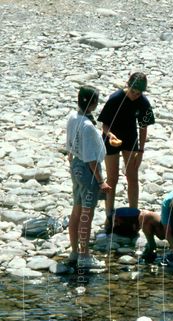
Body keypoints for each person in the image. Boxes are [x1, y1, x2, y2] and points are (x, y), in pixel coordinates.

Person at [98, 71, 156, 232]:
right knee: (112, 178)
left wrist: (141, 150)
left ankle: (133, 214)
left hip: (131, 138)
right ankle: (109, 215)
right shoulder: (115, 99)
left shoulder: (143, 102)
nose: (135, 96)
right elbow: (104, 125)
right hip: (111, 139)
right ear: (127, 85)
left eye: (138, 93)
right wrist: (110, 135)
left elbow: (143, 127)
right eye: (133, 92)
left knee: (132, 176)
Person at [65, 86, 112, 270]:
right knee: (87, 213)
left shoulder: (73, 117)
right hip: (87, 171)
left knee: (77, 208)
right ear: (93, 104)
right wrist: (101, 181)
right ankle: (84, 255)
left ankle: (75, 251)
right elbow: (92, 160)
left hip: (75, 165)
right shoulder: (88, 126)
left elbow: (70, 144)